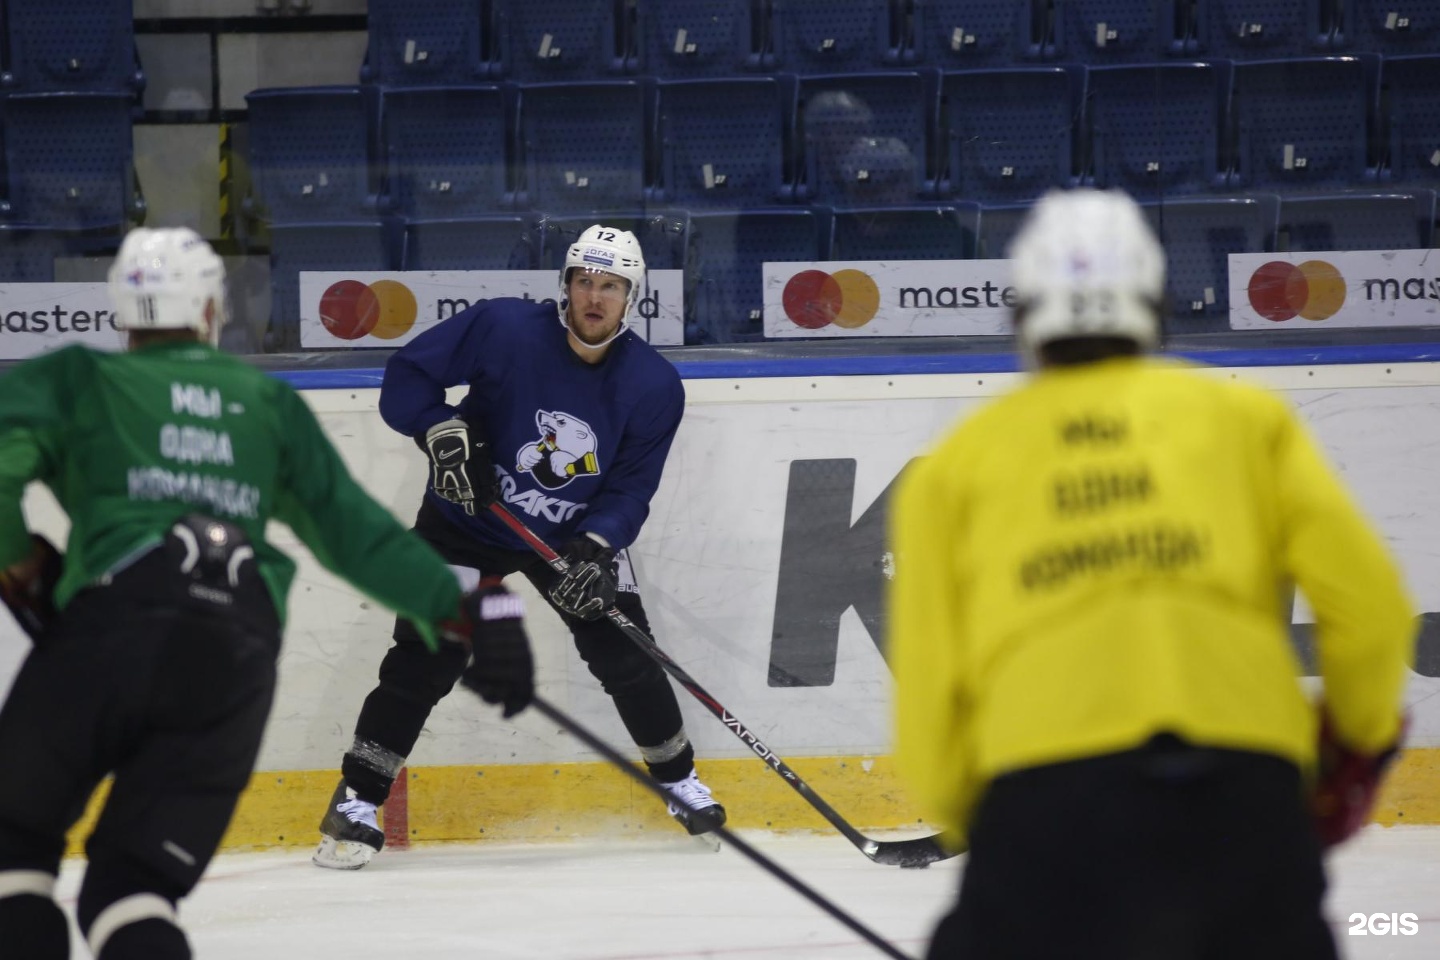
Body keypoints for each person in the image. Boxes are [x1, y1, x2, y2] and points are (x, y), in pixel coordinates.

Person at [887, 189, 1415, 960]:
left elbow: (931, 680)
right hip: (1244, 791)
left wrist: (985, 821)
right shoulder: (1244, 422)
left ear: (1025, 311)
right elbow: (1371, 608)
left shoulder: (961, 462)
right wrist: (1354, 751)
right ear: (1154, 299)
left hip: (1045, 806)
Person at [0, 227, 534, 960]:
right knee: (131, 892)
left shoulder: (74, 379)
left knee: (16, 854)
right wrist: (473, 608)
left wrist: (19, 561)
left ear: (122, 314)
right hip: (233, 653)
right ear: (214, 311)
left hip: (113, 625)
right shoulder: (265, 404)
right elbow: (361, 538)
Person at [314, 223, 725, 870]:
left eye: (611, 285)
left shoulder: (654, 386)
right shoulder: (504, 329)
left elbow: (631, 490)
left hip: (565, 538)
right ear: (565, 285)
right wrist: (438, 429)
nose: (595, 296)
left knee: (625, 650)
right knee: (428, 651)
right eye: (584, 280)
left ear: (631, 297)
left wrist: (598, 544)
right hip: (466, 520)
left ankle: (677, 781)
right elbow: (407, 377)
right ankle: (357, 802)